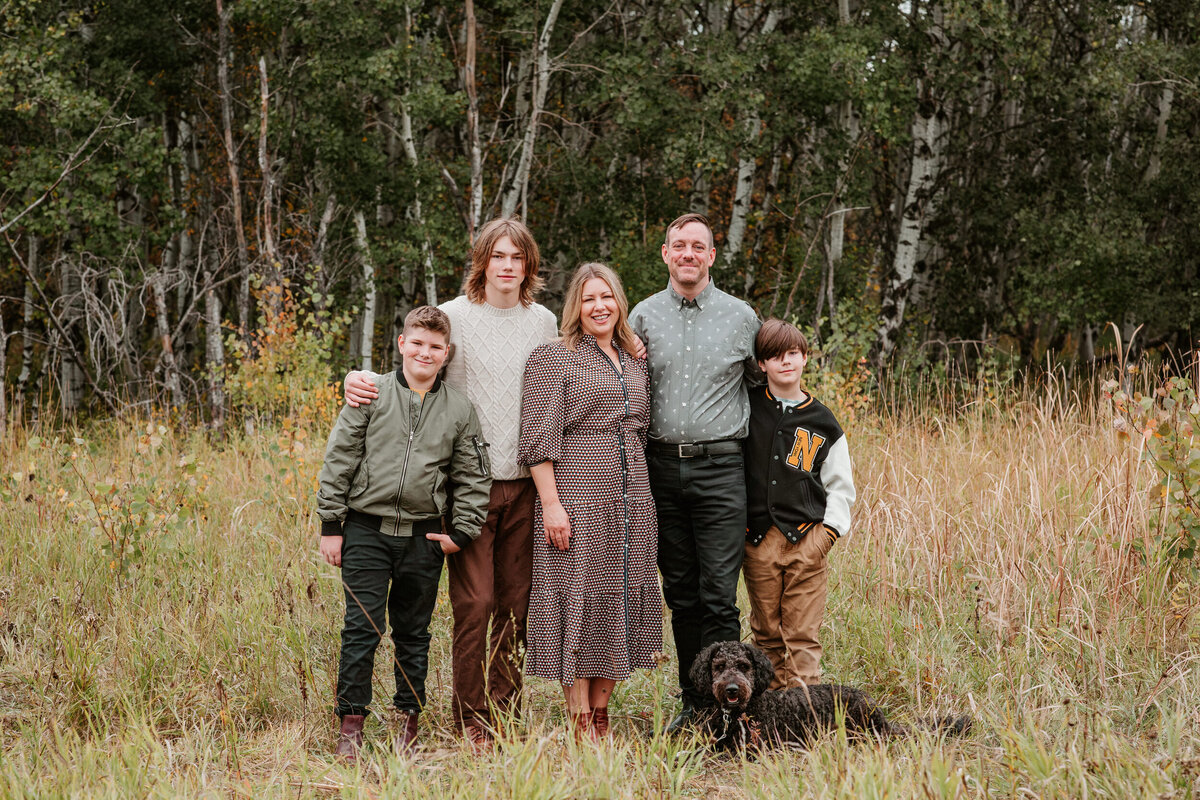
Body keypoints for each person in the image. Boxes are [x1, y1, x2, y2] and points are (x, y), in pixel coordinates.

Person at [342, 218, 558, 750]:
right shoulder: (455, 317)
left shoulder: (544, 322)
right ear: (481, 261)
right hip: (466, 490)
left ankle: (504, 714)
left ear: (529, 265)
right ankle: (471, 719)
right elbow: (417, 361)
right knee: (475, 604)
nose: (507, 266)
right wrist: (356, 378)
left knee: (515, 606)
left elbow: (571, 374)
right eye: (497, 256)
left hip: (527, 485)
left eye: (517, 257)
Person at [317, 306, 492, 761]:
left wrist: (463, 531)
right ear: (401, 344)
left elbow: (472, 475)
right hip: (365, 531)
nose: (425, 353)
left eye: (435, 347)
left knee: (413, 633)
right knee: (361, 629)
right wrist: (331, 526)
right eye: (417, 343)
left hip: (422, 538)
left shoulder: (458, 408)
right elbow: (340, 459)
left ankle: (407, 721)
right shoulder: (370, 392)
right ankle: (351, 725)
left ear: (446, 353)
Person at [628, 213, 761, 732]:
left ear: (711, 255)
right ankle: (694, 703)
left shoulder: (741, 317)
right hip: (659, 469)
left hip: (721, 470)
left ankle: (732, 707)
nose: (688, 254)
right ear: (665, 253)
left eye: (697, 246)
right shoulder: (640, 316)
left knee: (718, 596)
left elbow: (762, 389)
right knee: (680, 593)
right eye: (678, 245)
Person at [518, 262, 663, 740]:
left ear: (620, 301)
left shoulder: (635, 358)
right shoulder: (554, 358)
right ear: (575, 307)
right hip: (577, 495)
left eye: (607, 297)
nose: (599, 306)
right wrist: (552, 505)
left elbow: (643, 428)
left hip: (632, 498)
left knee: (617, 599)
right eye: (588, 299)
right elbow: (538, 442)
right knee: (578, 600)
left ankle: (603, 715)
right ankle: (579, 718)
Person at [743, 318, 855, 689]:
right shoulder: (749, 408)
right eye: (775, 356)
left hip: (807, 540)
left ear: (805, 357)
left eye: (792, 353)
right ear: (761, 364)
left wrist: (827, 536)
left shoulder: (823, 422)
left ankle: (804, 720)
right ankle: (770, 715)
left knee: (802, 636)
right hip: (758, 542)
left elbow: (840, 486)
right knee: (766, 635)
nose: (785, 362)